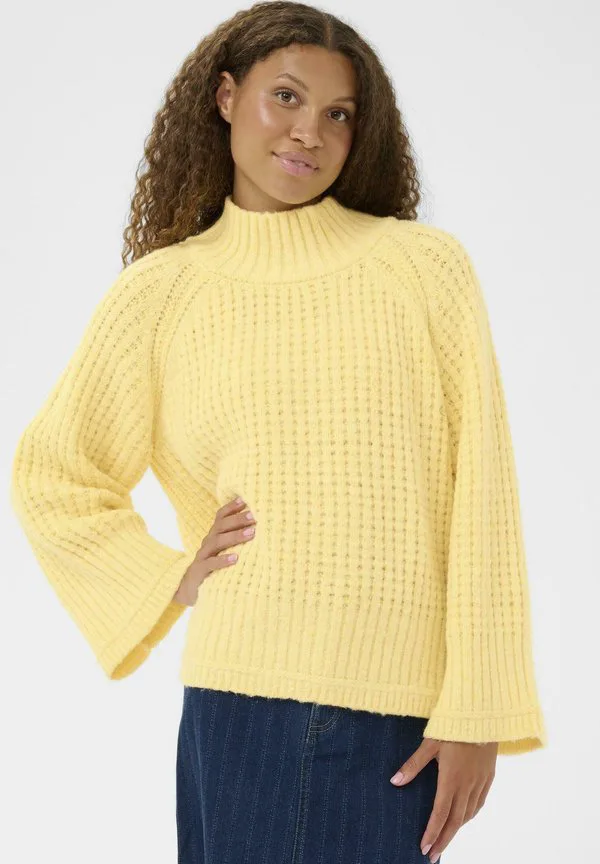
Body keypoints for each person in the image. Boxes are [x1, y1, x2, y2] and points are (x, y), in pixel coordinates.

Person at [9, 2, 548, 862]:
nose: (309, 132)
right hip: (241, 703)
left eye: (339, 114)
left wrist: (479, 708)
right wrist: (170, 578)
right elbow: (54, 473)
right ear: (227, 97)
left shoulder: (423, 269)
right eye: (286, 97)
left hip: (398, 714)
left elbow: (481, 491)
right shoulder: (163, 292)